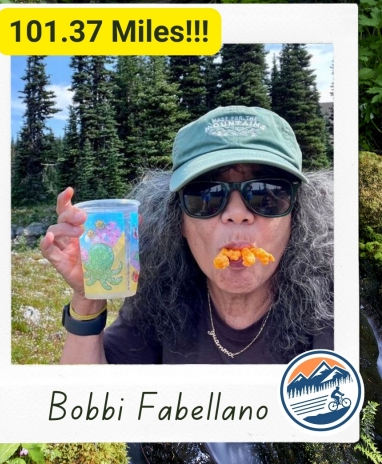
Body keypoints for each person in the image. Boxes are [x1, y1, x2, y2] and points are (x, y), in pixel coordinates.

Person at [40, 106, 334, 365]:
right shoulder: (161, 297)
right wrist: (89, 297)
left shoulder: (330, 311)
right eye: (205, 196)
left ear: (295, 216)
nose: (236, 213)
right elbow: (90, 405)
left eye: (267, 195)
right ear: (178, 220)